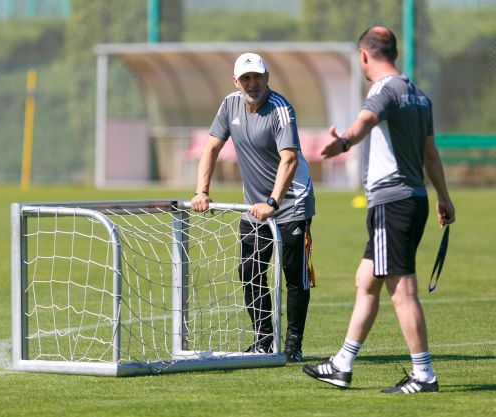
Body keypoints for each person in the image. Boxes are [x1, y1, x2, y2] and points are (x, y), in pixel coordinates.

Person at [302, 26, 455, 393]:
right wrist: (444, 197)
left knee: (401, 290)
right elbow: (430, 156)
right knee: (365, 281)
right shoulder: (418, 95)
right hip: (412, 198)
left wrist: (343, 141)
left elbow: (366, 121)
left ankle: (424, 374)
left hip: (393, 202)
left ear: (364, 56)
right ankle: (342, 364)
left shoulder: (384, 90)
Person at [190, 52, 316, 363]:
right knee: (249, 270)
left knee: (293, 275)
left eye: (257, 77)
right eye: (245, 78)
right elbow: (211, 148)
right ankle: (262, 340)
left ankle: (293, 346)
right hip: (254, 208)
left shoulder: (281, 109)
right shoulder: (229, 105)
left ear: (267, 77)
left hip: (291, 204)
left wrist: (273, 202)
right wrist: (201, 191)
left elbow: (289, 158)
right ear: (236, 82)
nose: (252, 83)